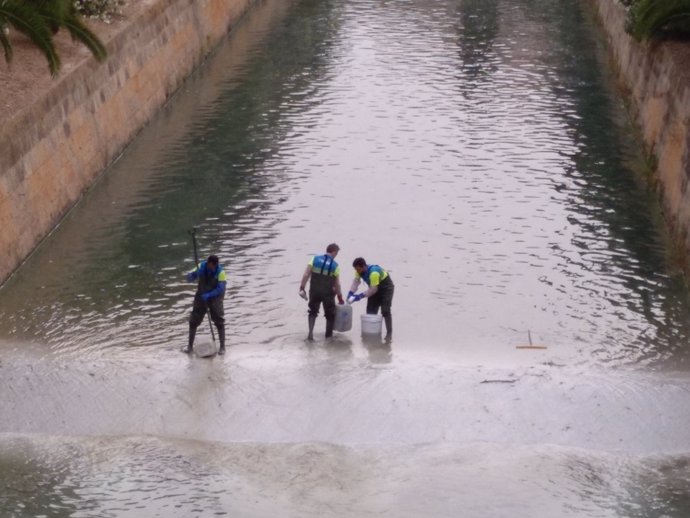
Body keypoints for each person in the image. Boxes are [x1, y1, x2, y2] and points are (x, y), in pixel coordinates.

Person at [299, 243, 345, 340]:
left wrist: (302, 287)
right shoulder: (335, 265)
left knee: (312, 312)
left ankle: (310, 334)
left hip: (314, 291)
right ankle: (328, 337)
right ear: (334, 252)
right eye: (336, 253)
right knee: (330, 315)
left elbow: (306, 274)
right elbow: (337, 284)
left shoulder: (314, 259)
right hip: (328, 294)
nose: (336, 255)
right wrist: (340, 297)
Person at [183, 254, 227, 355]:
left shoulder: (221, 272)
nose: (212, 267)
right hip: (201, 294)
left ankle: (222, 347)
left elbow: (220, 289)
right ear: (208, 262)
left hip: (216, 297)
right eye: (211, 265)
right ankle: (189, 347)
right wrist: (191, 276)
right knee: (193, 321)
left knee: (219, 321)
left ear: (216, 264)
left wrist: (209, 295)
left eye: (214, 265)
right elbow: (190, 277)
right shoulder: (201, 266)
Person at [348, 257, 394, 341]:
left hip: (386, 288)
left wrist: (359, 296)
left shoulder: (374, 273)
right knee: (370, 311)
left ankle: (389, 334)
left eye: (358, 269)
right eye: (355, 269)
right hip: (373, 287)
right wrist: (351, 293)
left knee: (385, 311)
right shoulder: (358, 272)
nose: (357, 271)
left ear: (364, 266)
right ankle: (371, 333)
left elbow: (373, 289)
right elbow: (356, 282)